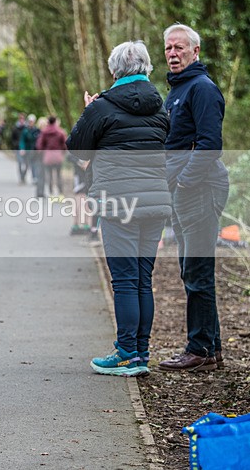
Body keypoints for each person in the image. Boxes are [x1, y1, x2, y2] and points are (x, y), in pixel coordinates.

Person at [68, 41, 171, 376]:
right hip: (155, 202)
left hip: (118, 204)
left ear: (114, 71)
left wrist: (88, 109)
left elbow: (77, 149)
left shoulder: (101, 107)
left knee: (125, 280)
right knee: (143, 278)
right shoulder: (161, 107)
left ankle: (126, 351)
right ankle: (140, 352)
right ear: (147, 69)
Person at [158, 24, 230, 373]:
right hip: (183, 190)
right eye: (169, 48)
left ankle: (198, 347)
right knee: (192, 268)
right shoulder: (177, 90)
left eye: (180, 48)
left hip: (200, 189)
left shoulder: (201, 88)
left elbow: (209, 144)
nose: (173, 53)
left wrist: (185, 182)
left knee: (197, 270)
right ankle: (210, 348)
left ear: (195, 51)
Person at [37, 116, 67, 195]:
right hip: (58, 155)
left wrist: (42, 153)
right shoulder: (60, 132)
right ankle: (60, 193)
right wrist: (63, 153)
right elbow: (65, 145)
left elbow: (40, 145)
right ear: (55, 121)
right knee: (58, 175)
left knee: (49, 175)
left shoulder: (44, 132)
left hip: (48, 156)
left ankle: (51, 193)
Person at [11, 113, 27, 183]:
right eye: (20, 118)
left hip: (26, 149)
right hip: (18, 148)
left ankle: (24, 176)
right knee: (20, 163)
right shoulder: (15, 128)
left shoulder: (27, 128)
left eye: (23, 118)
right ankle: (21, 178)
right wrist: (16, 145)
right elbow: (12, 138)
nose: (21, 120)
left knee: (27, 164)